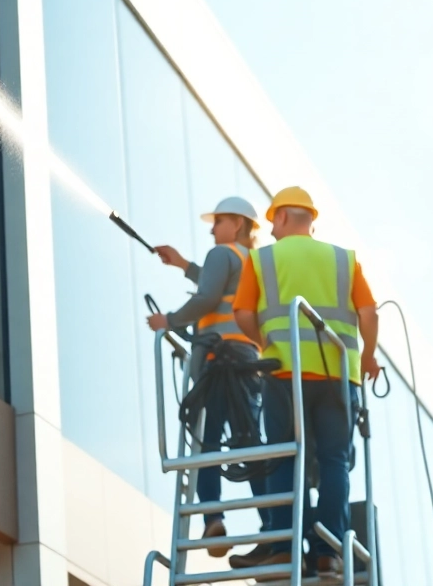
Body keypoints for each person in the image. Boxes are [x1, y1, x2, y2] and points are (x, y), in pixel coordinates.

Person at [229, 186, 380, 577]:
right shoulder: (344, 259)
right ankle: (329, 552)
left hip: (284, 374)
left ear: (281, 216)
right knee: (334, 462)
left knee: (284, 455)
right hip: (337, 376)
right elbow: (369, 313)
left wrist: (266, 342)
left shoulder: (262, 259)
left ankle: (283, 546)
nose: (271, 230)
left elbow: (242, 314)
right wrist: (368, 355)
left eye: (273, 222)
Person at [148, 196, 266, 556]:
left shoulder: (220, 254)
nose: (212, 229)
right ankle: (273, 522)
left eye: (218, 222)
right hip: (248, 361)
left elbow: (207, 297)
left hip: (218, 360)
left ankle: (212, 518)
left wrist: (169, 321)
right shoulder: (253, 263)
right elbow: (219, 285)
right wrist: (183, 264)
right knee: (250, 441)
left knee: (207, 440)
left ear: (238, 224)